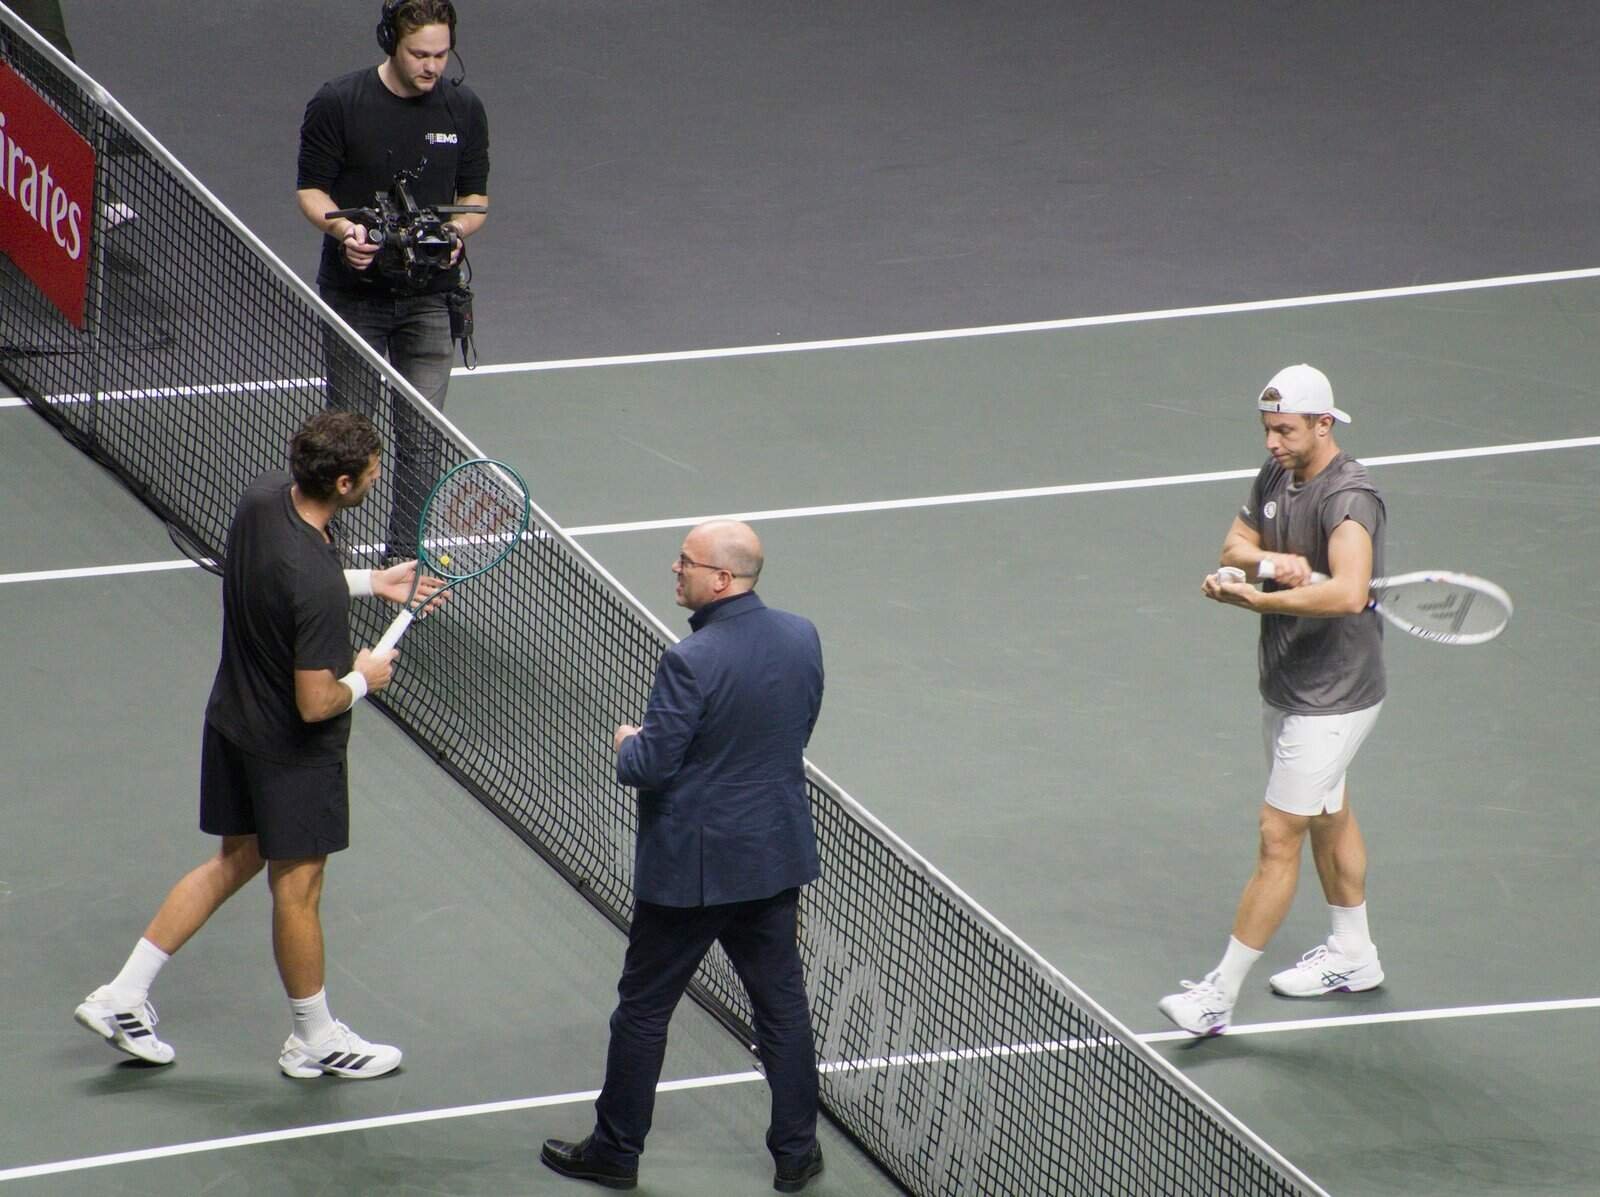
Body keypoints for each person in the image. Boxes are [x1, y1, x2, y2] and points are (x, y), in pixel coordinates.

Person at [74, 410, 445, 1077]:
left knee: (235, 858)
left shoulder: (262, 499)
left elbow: (284, 584)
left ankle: (122, 993)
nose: (377, 476)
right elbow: (316, 700)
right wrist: (365, 677)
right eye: (370, 472)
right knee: (297, 888)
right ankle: (315, 1037)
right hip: (290, 753)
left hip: (232, 720)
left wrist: (368, 580)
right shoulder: (312, 585)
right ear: (341, 480)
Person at [542, 520, 828, 1194]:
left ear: (721, 580)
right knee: (781, 1008)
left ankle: (615, 1151)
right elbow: (796, 728)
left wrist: (625, 740)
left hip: (690, 875)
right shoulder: (802, 636)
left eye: (687, 562)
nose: (675, 568)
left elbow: (650, 765)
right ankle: (796, 1153)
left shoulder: (689, 660)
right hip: (769, 858)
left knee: (643, 1008)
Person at [1159, 364, 1387, 1037]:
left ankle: (1217, 997)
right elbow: (1236, 542)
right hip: (1288, 681)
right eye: (1267, 429)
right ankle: (1353, 952)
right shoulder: (1276, 476)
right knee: (1327, 814)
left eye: (1285, 429)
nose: (1273, 441)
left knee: (1277, 835)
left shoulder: (1351, 498)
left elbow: (1349, 592)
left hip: (1333, 696)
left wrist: (1260, 598)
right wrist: (1264, 564)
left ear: (1325, 423)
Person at [296, 0, 489, 560]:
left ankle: (403, 559)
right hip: (355, 299)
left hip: (431, 300)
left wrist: (455, 233)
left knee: (422, 442)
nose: (432, 66)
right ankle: (325, 555)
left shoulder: (464, 108)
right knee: (344, 442)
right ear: (390, 44)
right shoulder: (339, 102)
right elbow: (312, 191)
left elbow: (475, 200)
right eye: (419, 54)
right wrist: (347, 233)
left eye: (441, 54)